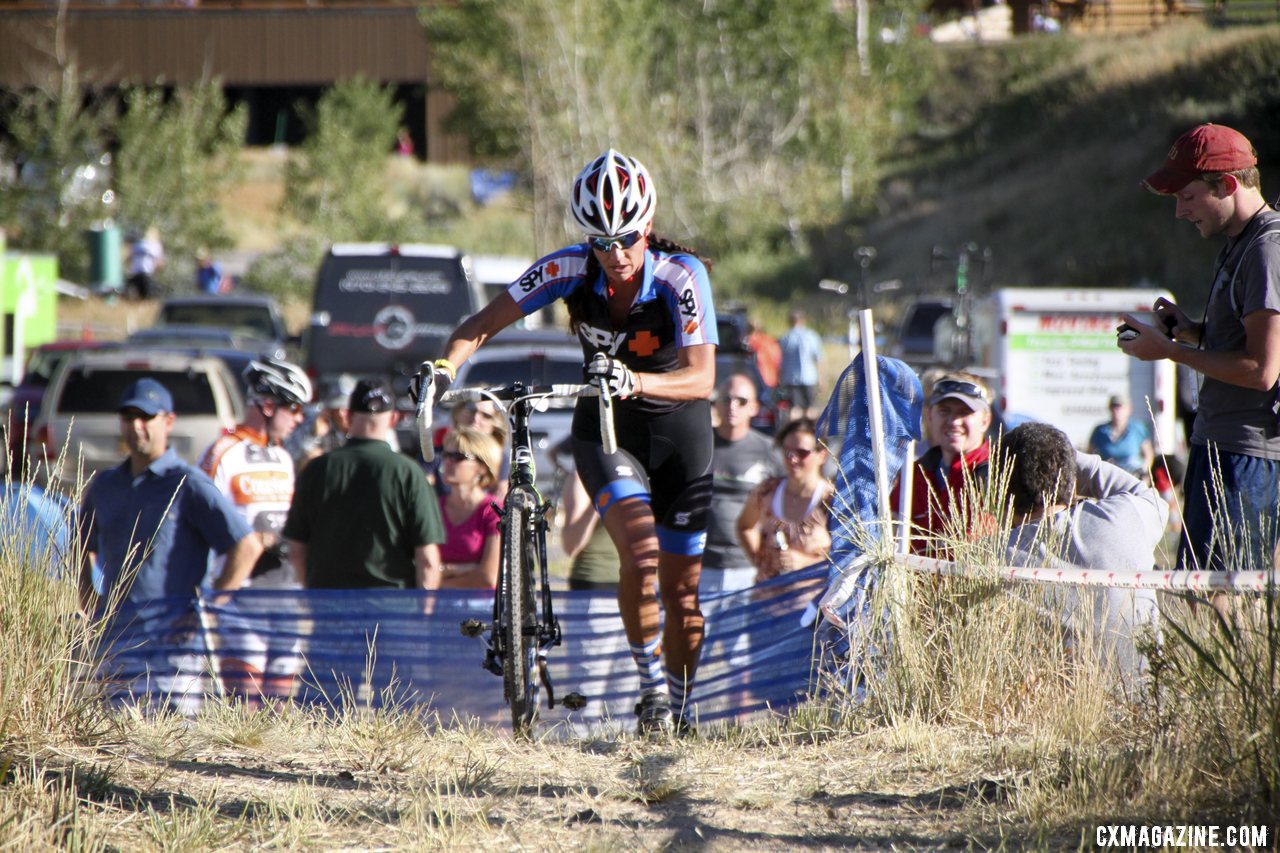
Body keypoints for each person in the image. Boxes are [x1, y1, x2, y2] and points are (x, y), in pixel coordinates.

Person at [424, 149, 718, 733]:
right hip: (607, 431)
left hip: (680, 434)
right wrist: (440, 369)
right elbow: (478, 326)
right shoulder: (567, 269)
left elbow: (704, 377)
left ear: (648, 226)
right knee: (640, 556)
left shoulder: (681, 276)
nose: (615, 254)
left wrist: (637, 379)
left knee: (683, 602)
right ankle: (652, 690)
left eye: (627, 238)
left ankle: (682, 705)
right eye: (601, 242)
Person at [1119, 123, 1280, 573]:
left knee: (1220, 597)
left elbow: (1262, 370)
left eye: (1186, 197)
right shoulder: (1240, 243)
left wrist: (1169, 352)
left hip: (1246, 453)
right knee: (1199, 589)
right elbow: (1242, 345)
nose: (1179, 212)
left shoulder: (1268, 250)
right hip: (1222, 445)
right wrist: (1189, 331)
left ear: (1227, 185)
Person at [77, 378, 262, 615]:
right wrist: (89, 598)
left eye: (145, 417)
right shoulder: (105, 485)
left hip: (174, 644)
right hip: (115, 642)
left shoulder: (187, 485)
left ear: (169, 421)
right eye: (128, 417)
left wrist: (208, 610)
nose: (135, 426)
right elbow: (79, 547)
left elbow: (247, 547)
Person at [1000, 423, 1164, 681]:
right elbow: (1149, 495)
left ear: (1001, 489)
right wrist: (1069, 460)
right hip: (1150, 709)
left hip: (1047, 715)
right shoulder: (1128, 516)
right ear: (1074, 478)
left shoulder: (995, 555)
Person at [284, 378, 445, 590]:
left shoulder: (317, 469)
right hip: (392, 610)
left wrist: (313, 598)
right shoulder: (409, 473)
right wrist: (423, 616)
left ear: (348, 416)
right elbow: (428, 560)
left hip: (329, 609)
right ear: (394, 419)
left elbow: (296, 550)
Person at [199, 358, 312, 589]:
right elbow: (199, 522)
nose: (299, 418)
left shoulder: (283, 457)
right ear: (268, 406)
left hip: (282, 589)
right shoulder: (223, 453)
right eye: (294, 408)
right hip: (236, 590)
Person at [890, 372, 994, 556]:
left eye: (965, 412)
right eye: (944, 411)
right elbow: (890, 536)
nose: (954, 422)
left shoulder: (994, 477)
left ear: (985, 420)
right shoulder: (914, 476)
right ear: (929, 415)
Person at [701, 373, 783, 600]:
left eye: (742, 401)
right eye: (726, 399)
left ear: (754, 408)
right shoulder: (698, 446)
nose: (732, 406)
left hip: (749, 565)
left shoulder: (770, 450)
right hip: (700, 565)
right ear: (715, 403)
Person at [735, 418, 831, 593]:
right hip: (766, 603)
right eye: (787, 451)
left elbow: (848, 556)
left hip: (811, 607)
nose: (792, 459)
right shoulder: (767, 490)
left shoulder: (831, 499)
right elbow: (744, 526)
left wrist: (805, 563)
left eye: (802, 453)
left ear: (821, 455)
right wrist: (761, 560)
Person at [436, 426, 503, 588]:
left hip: (479, 610)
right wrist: (467, 569)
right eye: (446, 455)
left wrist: (443, 573)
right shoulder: (434, 507)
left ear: (482, 467)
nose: (448, 461)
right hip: (436, 609)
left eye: (458, 456)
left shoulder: (494, 511)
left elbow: (488, 578)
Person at [1087, 394, 1154, 478]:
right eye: (1113, 407)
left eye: (1120, 407)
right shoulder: (1100, 431)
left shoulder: (1137, 429)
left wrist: (1143, 471)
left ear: (1129, 409)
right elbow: (1090, 455)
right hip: (1109, 476)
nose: (1117, 411)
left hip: (1133, 476)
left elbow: (1148, 455)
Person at [778, 309, 823, 420]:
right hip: (809, 377)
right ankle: (811, 430)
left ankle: (795, 430)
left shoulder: (785, 337)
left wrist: (779, 377)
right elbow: (819, 358)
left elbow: (780, 360)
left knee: (794, 409)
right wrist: (821, 378)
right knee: (811, 408)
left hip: (790, 377)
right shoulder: (811, 336)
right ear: (803, 320)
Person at [125, 226, 164, 300]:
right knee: (128, 294)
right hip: (135, 274)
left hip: (146, 275)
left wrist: (154, 269)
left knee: (146, 296)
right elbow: (128, 258)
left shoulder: (155, 245)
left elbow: (160, 262)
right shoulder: (135, 244)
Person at [745, 318, 781, 390]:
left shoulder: (748, 342)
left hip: (755, 379)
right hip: (771, 379)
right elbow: (778, 361)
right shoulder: (770, 341)